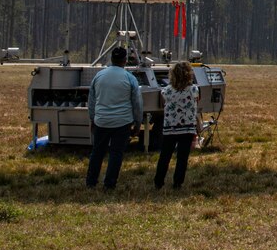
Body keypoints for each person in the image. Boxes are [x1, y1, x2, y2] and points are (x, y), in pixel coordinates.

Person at [85, 46, 143, 191]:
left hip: (101, 121)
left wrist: (92, 119)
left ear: (111, 59)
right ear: (125, 61)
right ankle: (109, 184)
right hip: (122, 122)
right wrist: (137, 122)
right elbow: (137, 103)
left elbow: (91, 101)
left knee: (97, 152)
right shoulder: (130, 78)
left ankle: (91, 181)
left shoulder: (99, 76)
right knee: (116, 154)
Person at [154, 60, 199, 190]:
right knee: (182, 158)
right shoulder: (194, 90)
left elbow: (163, 101)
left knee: (165, 156)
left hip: (170, 128)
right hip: (187, 128)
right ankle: (178, 182)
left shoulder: (166, 90)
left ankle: (158, 181)